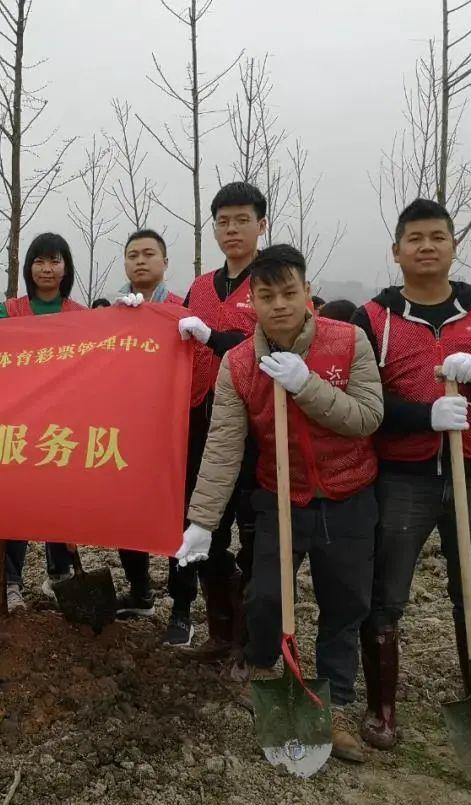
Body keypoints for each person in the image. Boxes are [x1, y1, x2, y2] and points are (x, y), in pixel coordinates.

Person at [181, 244, 383, 763]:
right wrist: (202, 521)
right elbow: (223, 446)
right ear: (253, 301)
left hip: (348, 495)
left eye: (289, 292)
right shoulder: (240, 363)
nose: (279, 305)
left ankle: (334, 702)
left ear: (307, 291)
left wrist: (306, 385)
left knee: (345, 606)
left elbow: (366, 418)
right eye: (266, 296)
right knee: (266, 596)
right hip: (280, 496)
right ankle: (268, 673)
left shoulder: (348, 341)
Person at [353, 199, 471, 751]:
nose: (426, 246)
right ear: (397, 250)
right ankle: (382, 709)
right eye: (415, 238)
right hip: (401, 477)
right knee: (386, 594)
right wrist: (421, 415)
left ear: (453, 246)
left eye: (437, 237)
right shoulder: (374, 317)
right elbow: (365, 401)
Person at [163, 182, 265, 651]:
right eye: (223, 221)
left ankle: (250, 642)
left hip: (259, 427)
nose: (232, 230)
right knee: (206, 527)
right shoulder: (201, 287)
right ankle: (221, 635)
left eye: (242, 219)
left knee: (254, 535)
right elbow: (176, 340)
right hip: (201, 421)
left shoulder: (274, 281)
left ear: (260, 224)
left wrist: (214, 338)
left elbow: (277, 345)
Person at [0, 233, 86, 611]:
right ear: (28, 267)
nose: (47, 269)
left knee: (60, 500)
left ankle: (59, 574)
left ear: (66, 268)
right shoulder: (9, 311)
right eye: (39, 261)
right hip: (17, 425)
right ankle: (11, 581)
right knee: (15, 505)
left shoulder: (82, 316)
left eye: (55, 261)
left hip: (62, 425)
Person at [109, 229, 185, 621]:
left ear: (165, 262)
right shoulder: (110, 312)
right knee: (127, 510)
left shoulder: (179, 308)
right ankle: (140, 591)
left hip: (170, 427)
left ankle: (180, 602)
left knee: (175, 510)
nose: (140, 261)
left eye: (149, 253)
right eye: (132, 254)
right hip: (125, 427)